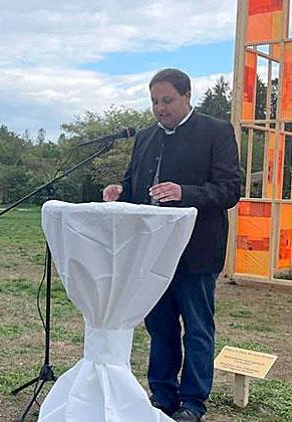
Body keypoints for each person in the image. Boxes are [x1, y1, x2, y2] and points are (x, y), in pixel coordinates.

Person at [103, 68, 241, 422]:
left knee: (197, 329)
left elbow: (229, 190)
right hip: (151, 251)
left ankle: (193, 402)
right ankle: (162, 395)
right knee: (160, 326)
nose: (159, 108)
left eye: (166, 100)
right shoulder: (145, 138)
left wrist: (185, 194)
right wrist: (119, 193)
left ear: (186, 96)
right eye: (154, 101)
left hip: (197, 251)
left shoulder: (216, 131)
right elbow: (134, 186)